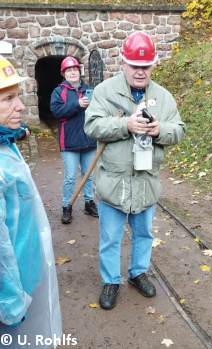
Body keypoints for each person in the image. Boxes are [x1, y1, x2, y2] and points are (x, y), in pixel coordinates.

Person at [85, 31, 186, 310]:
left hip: (146, 183)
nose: (140, 71)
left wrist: (160, 130)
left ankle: (138, 273)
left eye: (146, 66)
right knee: (110, 237)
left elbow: (179, 131)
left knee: (144, 234)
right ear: (123, 63)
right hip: (113, 183)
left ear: (153, 65)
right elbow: (91, 126)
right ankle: (111, 280)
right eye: (134, 65)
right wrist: (124, 126)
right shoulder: (105, 92)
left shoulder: (164, 98)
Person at [0, 56, 62, 346]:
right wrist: (11, 304)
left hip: (27, 276)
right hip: (14, 296)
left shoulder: (6, 144)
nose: (21, 106)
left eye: (18, 96)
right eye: (9, 98)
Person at [50, 56, 98, 224]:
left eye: (75, 70)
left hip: (89, 140)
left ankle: (89, 202)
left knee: (89, 175)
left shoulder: (89, 90)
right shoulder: (59, 91)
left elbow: (99, 111)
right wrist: (77, 104)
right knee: (70, 177)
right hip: (69, 142)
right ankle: (67, 206)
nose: (72, 72)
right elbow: (56, 112)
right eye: (69, 70)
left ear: (79, 71)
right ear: (64, 74)